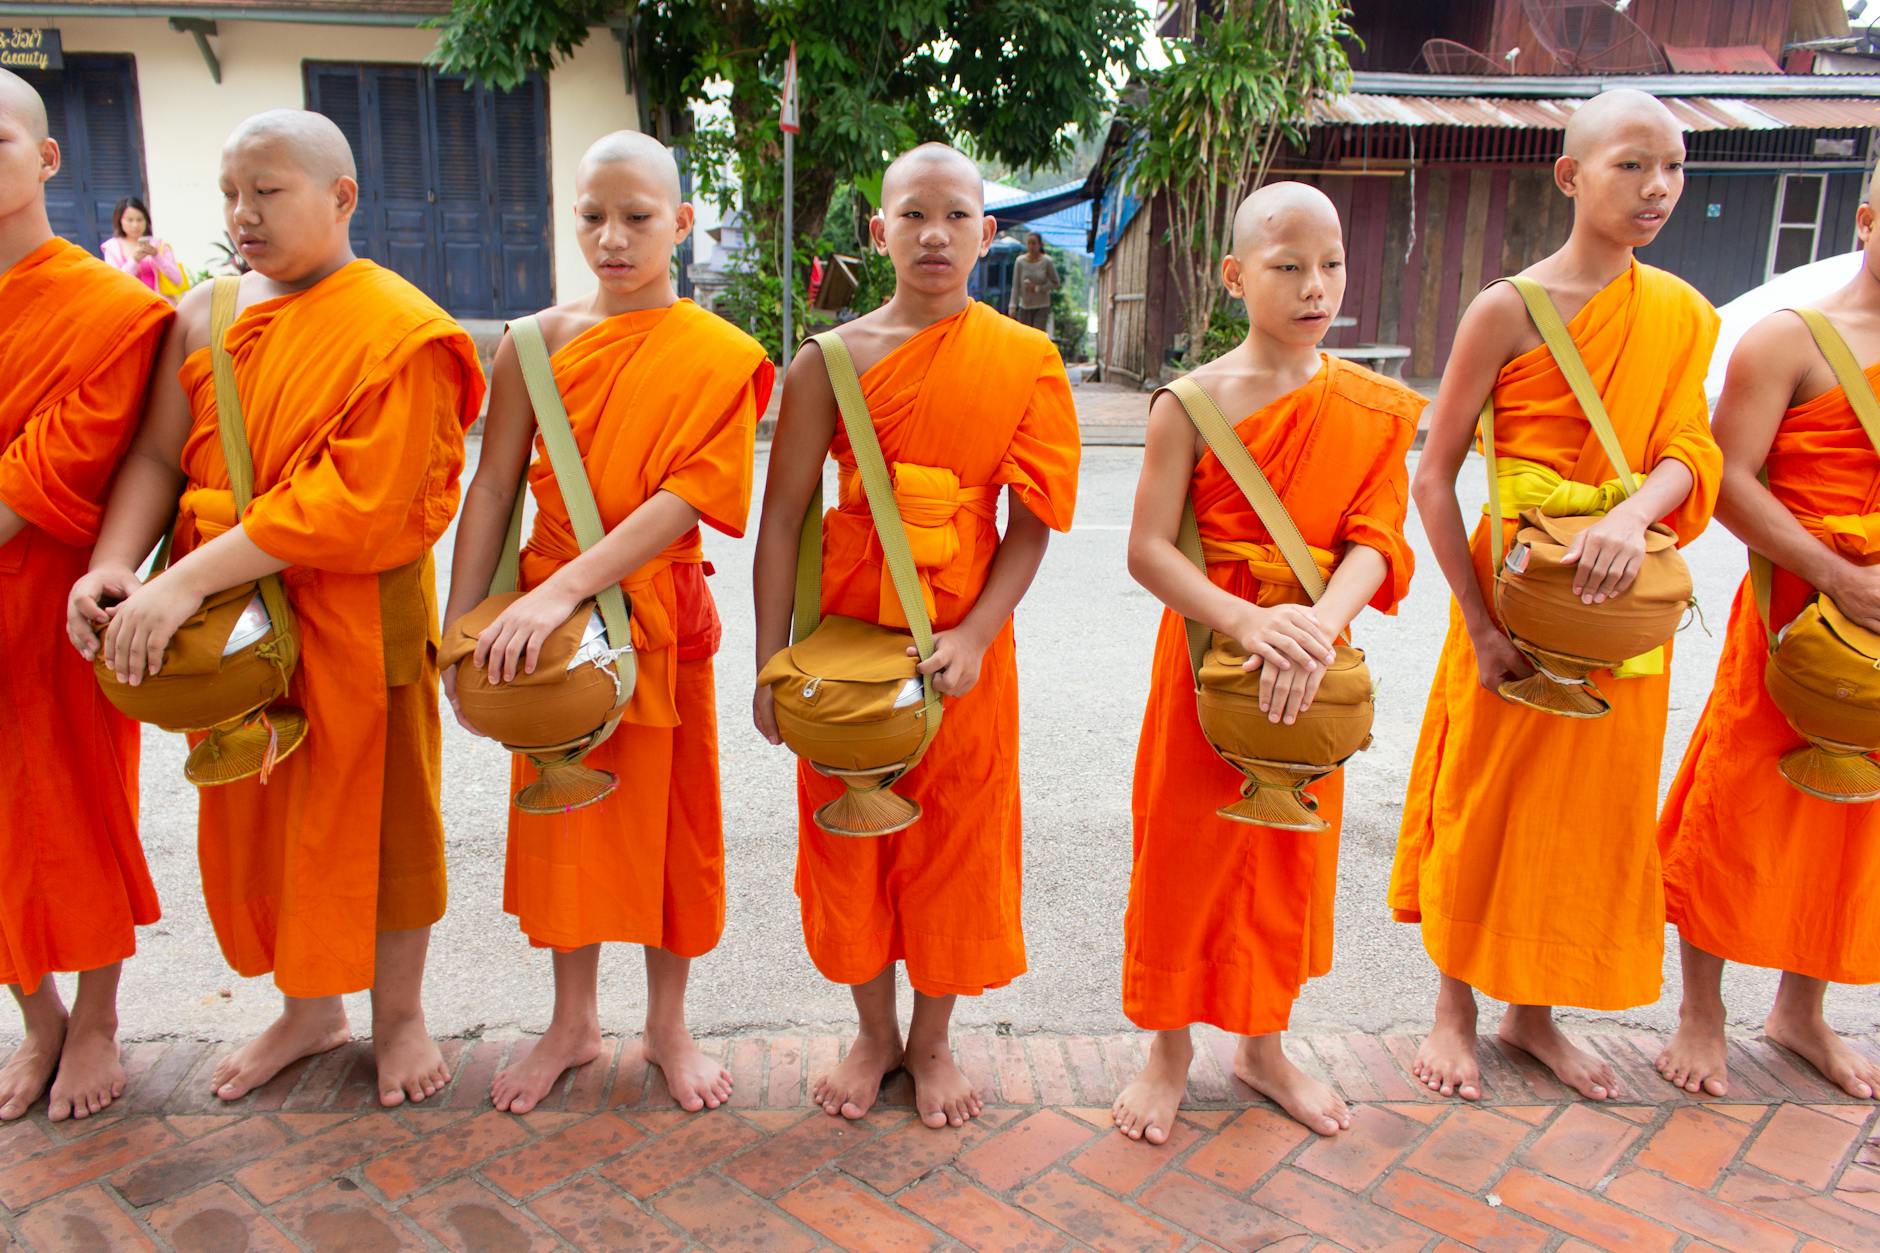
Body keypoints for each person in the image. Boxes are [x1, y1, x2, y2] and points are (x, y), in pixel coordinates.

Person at [67, 109, 485, 1107]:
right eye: (229, 195)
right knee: (261, 810)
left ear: (341, 198)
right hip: (231, 625)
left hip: (353, 610)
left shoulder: (399, 327)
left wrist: (181, 581)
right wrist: (116, 563)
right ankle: (308, 1008)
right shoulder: (204, 314)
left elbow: (361, 503)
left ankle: (400, 1013)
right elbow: (160, 458)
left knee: (383, 822)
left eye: (268, 191)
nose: (242, 214)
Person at [1389, 88, 1721, 1101]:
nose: (1655, 186)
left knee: (1584, 809)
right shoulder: (1505, 309)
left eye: (1670, 165)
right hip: (1517, 596)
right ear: (1568, 174)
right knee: (1483, 795)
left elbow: (1689, 450)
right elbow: (1431, 474)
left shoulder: (1678, 314)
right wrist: (1478, 622)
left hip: (1623, 602)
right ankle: (1452, 1007)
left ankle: (1532, 1014)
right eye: (1630, 163)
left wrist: (1632, 515)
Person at [443, 131, 773, 1115]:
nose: (614, 236)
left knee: (675, 833)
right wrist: (460, 632)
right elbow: (493, 483)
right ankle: (572, 1020)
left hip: (657, 614)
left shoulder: (716, 353)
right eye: (593, 215)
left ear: (678, 221)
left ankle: (667, 1025)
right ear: (571, 218)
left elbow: (689, 496)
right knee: (564, 820)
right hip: (540, 638)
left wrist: (560, 592)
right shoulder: (532, 342)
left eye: (637, 217)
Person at [751, 143, 1079, 1129]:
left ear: (986, 233)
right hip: (844, 646)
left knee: (957, 844)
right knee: (845, 837)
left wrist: (980, 630)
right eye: (911, 214)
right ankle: (870, 1032)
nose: (933, 234)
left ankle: (930, 1039)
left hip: (961, 651)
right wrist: (771, 661)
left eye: (954, 215)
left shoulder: (1024, 359)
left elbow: (1033, 519)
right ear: (877, 230)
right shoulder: (830, 360)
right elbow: (781, 521)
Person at [1113, 183, 1420, 1143]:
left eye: (1330, 264)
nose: (1314, 285)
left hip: (1314, 656)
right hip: (1214, 651)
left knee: (1289, 856)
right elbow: (1149, 548)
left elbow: (1377, 535)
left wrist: (1320, 624)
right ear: (1239, 276)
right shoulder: (1192, 404)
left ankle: (1263, 1042)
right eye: (1288, 267)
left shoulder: (1372, 408)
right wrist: (1249, 623)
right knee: (1184, 849)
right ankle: (1168, 1052)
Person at [1653, 178, 1880, 1102]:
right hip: (1794, 610)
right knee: (1738, 797)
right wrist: (1833, 575)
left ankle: (1800, 1010)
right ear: (1867, 220)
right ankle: (1700, 1012)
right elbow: (1728, 480)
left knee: (1851, 810)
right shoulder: (1791, 338)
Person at [0, 69, 171, 1123]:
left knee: (78, 810)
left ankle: (98, 1015)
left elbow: (53, 472)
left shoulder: (107, 310)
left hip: (53, 603)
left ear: (45, 156)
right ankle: (39, 1018)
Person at [101, 196, 184, 300]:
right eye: (129, 220)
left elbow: (178, 280)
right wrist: (134, 260)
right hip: (131, 307)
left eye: (140, 220)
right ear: (120, 221)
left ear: (146, 220)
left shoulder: (159, 245)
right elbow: (116, 284)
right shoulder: (112, 248)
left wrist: (157, 256)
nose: (135, 225)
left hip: (160, 305)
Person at [1007, 232, 1058, 332]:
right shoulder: (1020, 261)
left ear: (1040, 245)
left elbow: (1055, 282)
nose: (1031, 246)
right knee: (1023, 335)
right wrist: (1012, 306)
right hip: (1024, 306)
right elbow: (1016, 286)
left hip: (1041, 306)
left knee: (1037, 335)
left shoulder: (1047, 261)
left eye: (1034, 243)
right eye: (1029, 243)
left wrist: (1038, 288)